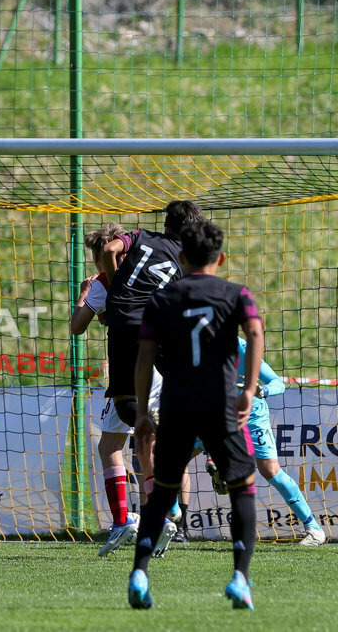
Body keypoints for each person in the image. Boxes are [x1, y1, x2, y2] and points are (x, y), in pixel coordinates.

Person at [127, 220, 263, 610]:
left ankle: (140, 570)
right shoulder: (237, 294)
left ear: (182, 258)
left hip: (176, 407)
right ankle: (239, 578)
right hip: (220, 405)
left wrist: (140, 412)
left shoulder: (160, 299)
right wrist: (249, 390)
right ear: (221, 258)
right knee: (243, 486)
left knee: (162, 490)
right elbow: (255, 333)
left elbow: (144, 358)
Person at [100, 202, 204, 553]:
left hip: (125, 324)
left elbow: (109, 248)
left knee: (131, 414)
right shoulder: (187, 261)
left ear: (165, 223)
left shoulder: (140, 236)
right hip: (156, 328)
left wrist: (116, 288)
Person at [71, 224, 176, 557]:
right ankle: (160, 514)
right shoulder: (149, 279)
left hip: (127, 372)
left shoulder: (103, 284)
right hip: (159, 367)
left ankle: (122, 521)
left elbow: (77, 327)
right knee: (148, 443)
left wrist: (84, 295)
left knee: (110, 445)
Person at [184, 337, 326, 546]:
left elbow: (278, 383)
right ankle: (172, 519)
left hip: (252, 414)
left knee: (270, 470)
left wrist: (262, 390)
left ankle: (314, 528)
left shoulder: (243, 350)